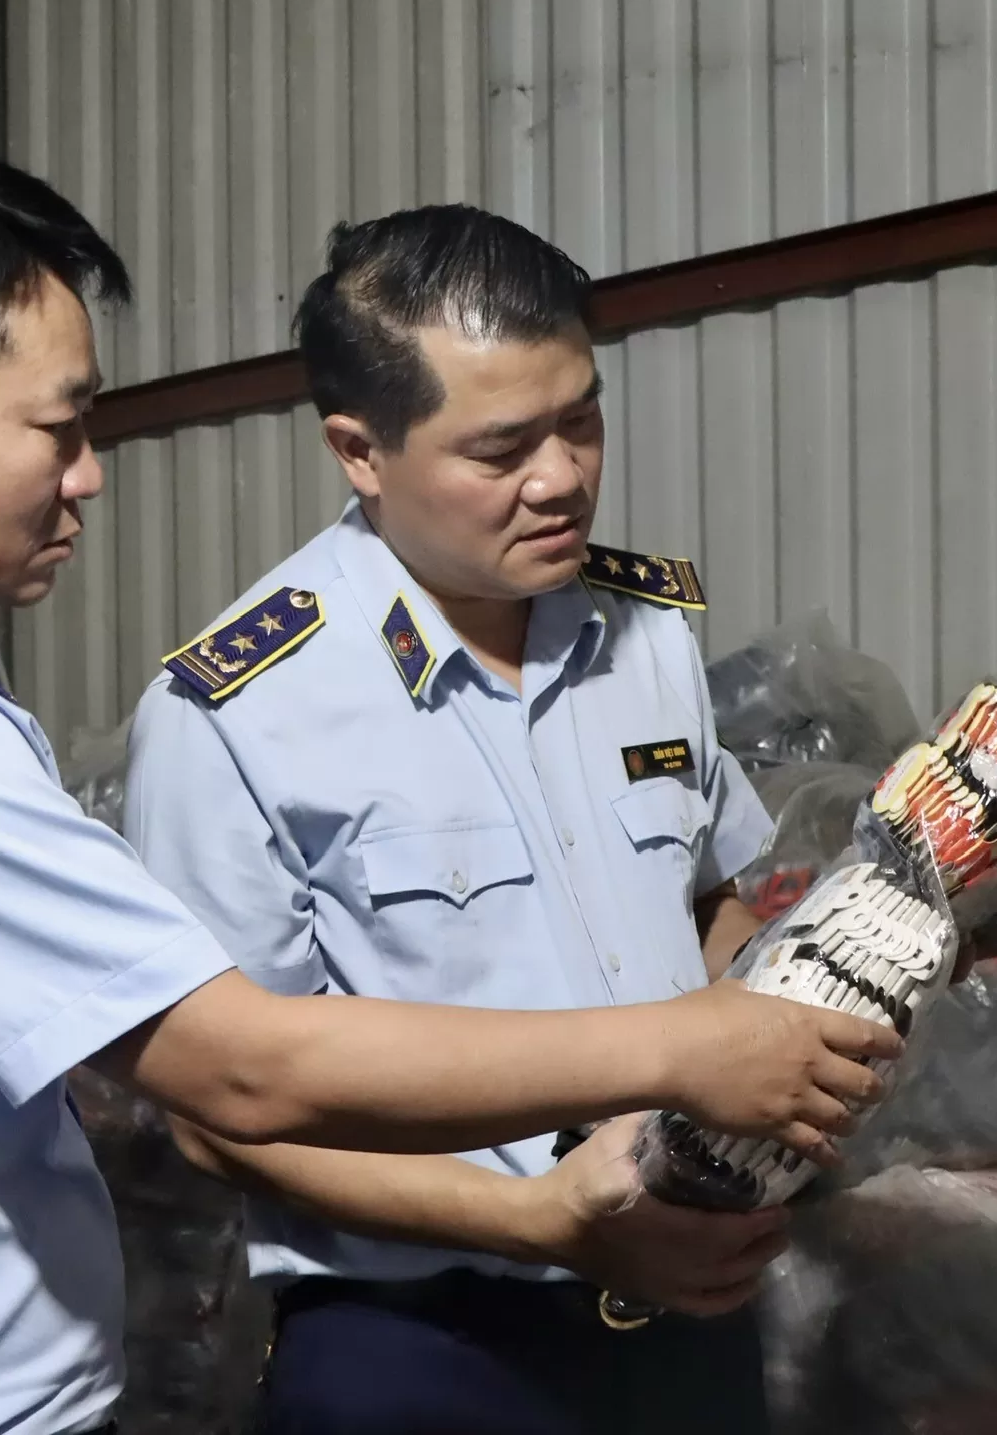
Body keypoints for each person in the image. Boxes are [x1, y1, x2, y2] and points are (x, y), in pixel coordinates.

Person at [0, 152, 898, 1435]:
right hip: (325, 1348)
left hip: (671, 1289)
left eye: (580, 420)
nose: (92, 471)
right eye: (59, 425)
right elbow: (238, 1073)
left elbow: (709, 898)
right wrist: (673, 1064)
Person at [124, 205, 796, 1435]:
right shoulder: (238, 710)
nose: (561, 478)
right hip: (423, 1347)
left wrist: (763, 1063)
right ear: (359, 449)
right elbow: (215, 1114)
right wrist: (537, 1220)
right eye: (499, 450)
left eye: (580, 419)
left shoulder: (644, 634)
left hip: (690, 1308)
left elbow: (709, 898)